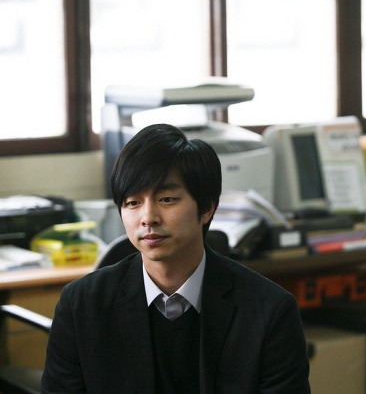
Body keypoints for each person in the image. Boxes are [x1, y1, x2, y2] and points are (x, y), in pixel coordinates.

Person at [42, 123, 310, 393]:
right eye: (133, 203)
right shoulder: (81, 305)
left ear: (207, 208)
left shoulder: (269, 310)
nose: (148, 218)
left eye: (167, 199)